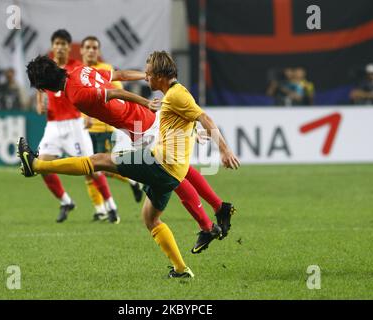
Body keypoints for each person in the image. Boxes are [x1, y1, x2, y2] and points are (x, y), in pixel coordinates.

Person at [18, 51, 240, 278]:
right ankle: (216, 212)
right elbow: (120, 75)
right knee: (167, 189)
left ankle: (207, 225)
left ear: (44, 88)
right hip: (142, 123)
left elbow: (115, 91)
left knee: (105, 163)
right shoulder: (80, 70)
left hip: (140, 126)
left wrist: (147, 101)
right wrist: (147, 78)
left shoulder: (76, 95)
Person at [35, 29, 120, 224]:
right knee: (42, 166)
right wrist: (39, 103)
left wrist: (88, 114)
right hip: (53, 125)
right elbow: (40, 89)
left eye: (64, 44)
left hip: (75, 124)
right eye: (56, 43)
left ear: (68, 47)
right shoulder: (46, 67)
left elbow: (86, 92)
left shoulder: (76, 67)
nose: (60, 47)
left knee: (92, 168)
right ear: (52, 46)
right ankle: (66, 202)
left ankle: (111, 206)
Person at [80, 36, 143, 221]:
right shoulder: (79, 71)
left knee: (101, 169)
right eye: (88, 47)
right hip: (83, 130)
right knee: (87, 170)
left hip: (103, 128)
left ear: (98, 51)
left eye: (94, 48)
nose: (91, 51)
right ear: (82, 50)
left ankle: (131, 183)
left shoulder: (106, 70)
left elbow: (118, 94)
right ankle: (100, 210)